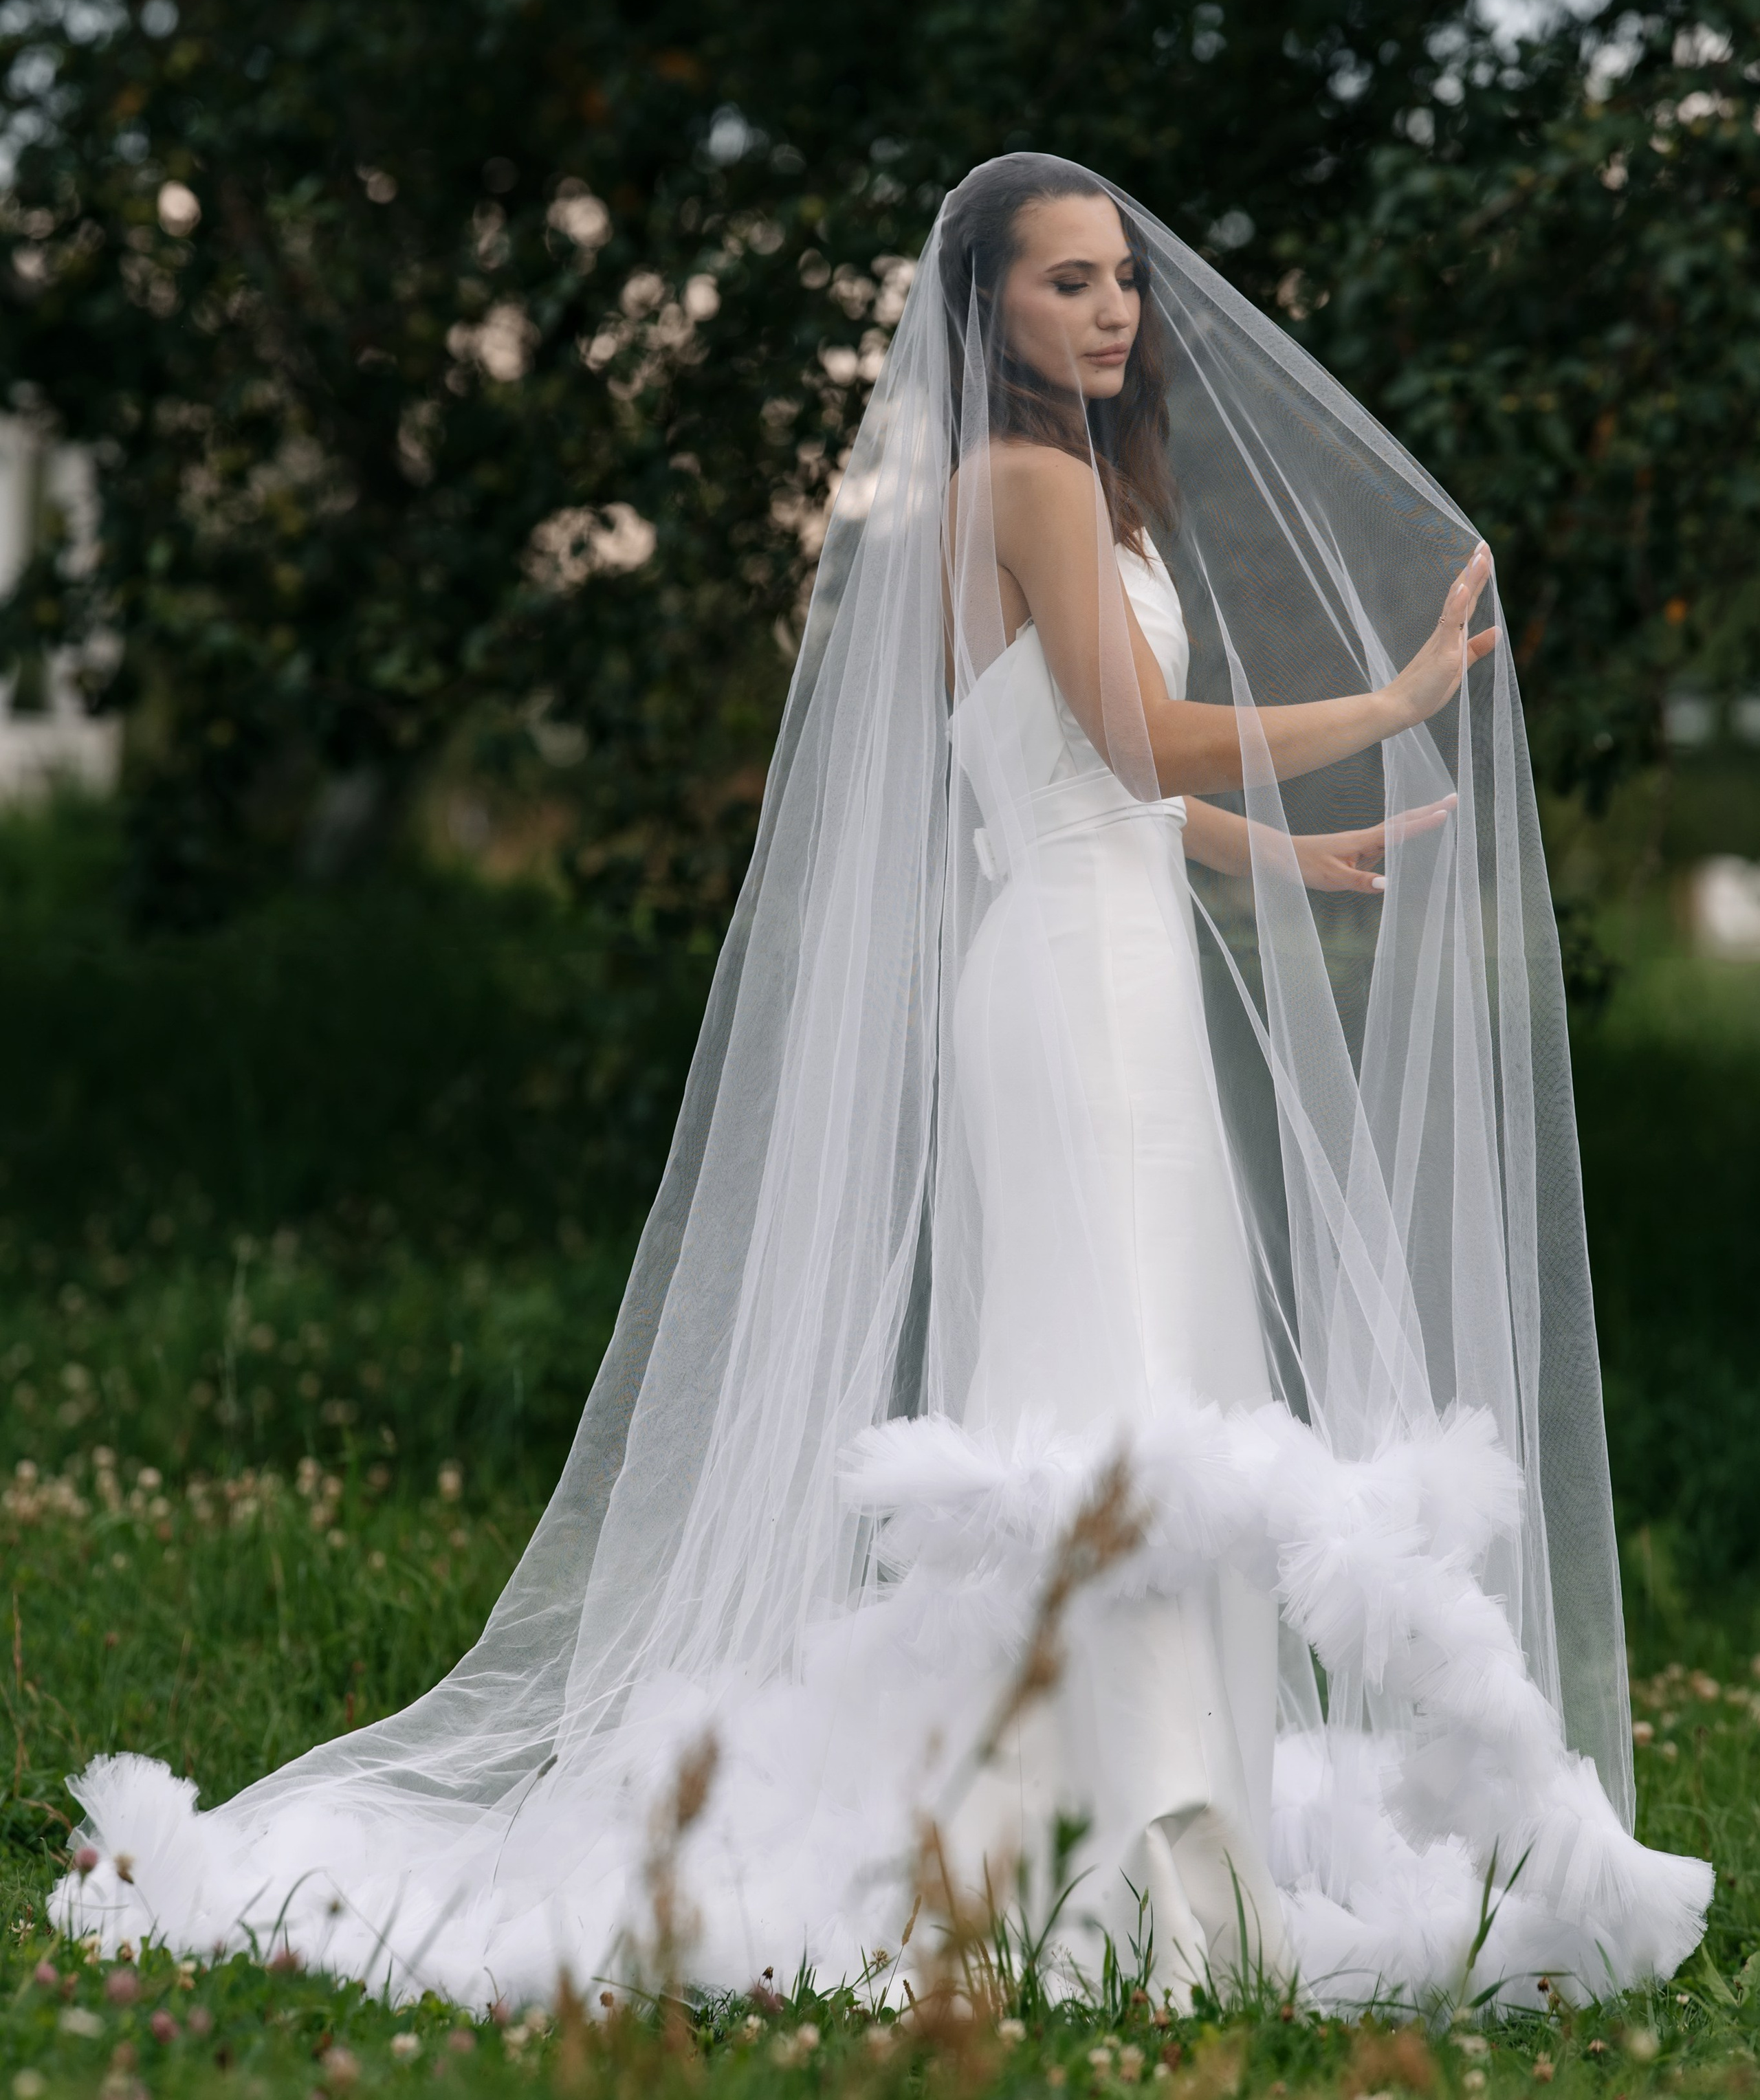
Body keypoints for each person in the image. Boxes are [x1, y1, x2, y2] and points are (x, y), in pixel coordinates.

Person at [53, 156, 1710, 2015]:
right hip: (1075, 994)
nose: (1107, 310)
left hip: (1113, 959)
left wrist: (1276, 850)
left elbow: (1095, 778)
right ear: (987, 310)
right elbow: (1132, 735)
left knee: (1150, 1381)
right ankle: (1113, 1844)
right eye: (1064, 282)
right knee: (1104, 1396)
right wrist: (1393, 702)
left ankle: (1104, 1816)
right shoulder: (1021, 482)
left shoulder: (1075, 496)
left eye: (1121, 280)